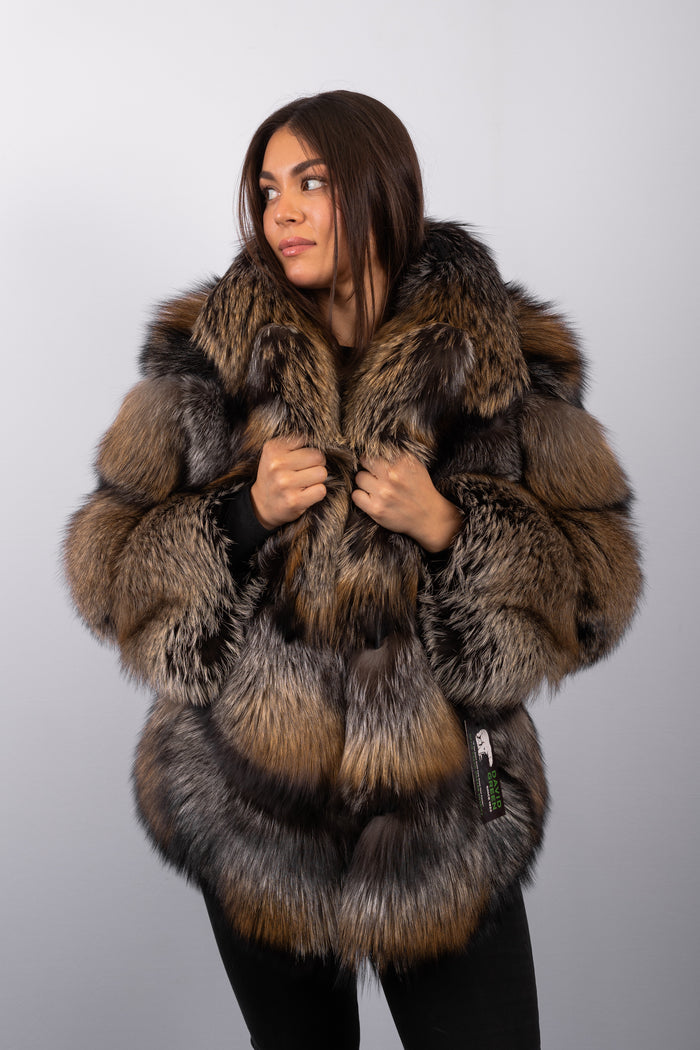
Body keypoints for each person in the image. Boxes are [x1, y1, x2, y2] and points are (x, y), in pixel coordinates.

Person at [64, 90, 642, 1049]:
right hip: (256, 822)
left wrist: (453, 527)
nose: (281, 212)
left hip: (446, 833)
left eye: (312, 183)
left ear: (381, 187)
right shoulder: (205, 361)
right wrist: (240, 516)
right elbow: (106, 577)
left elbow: (595, 597)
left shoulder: (504, 362)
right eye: (268, 189)